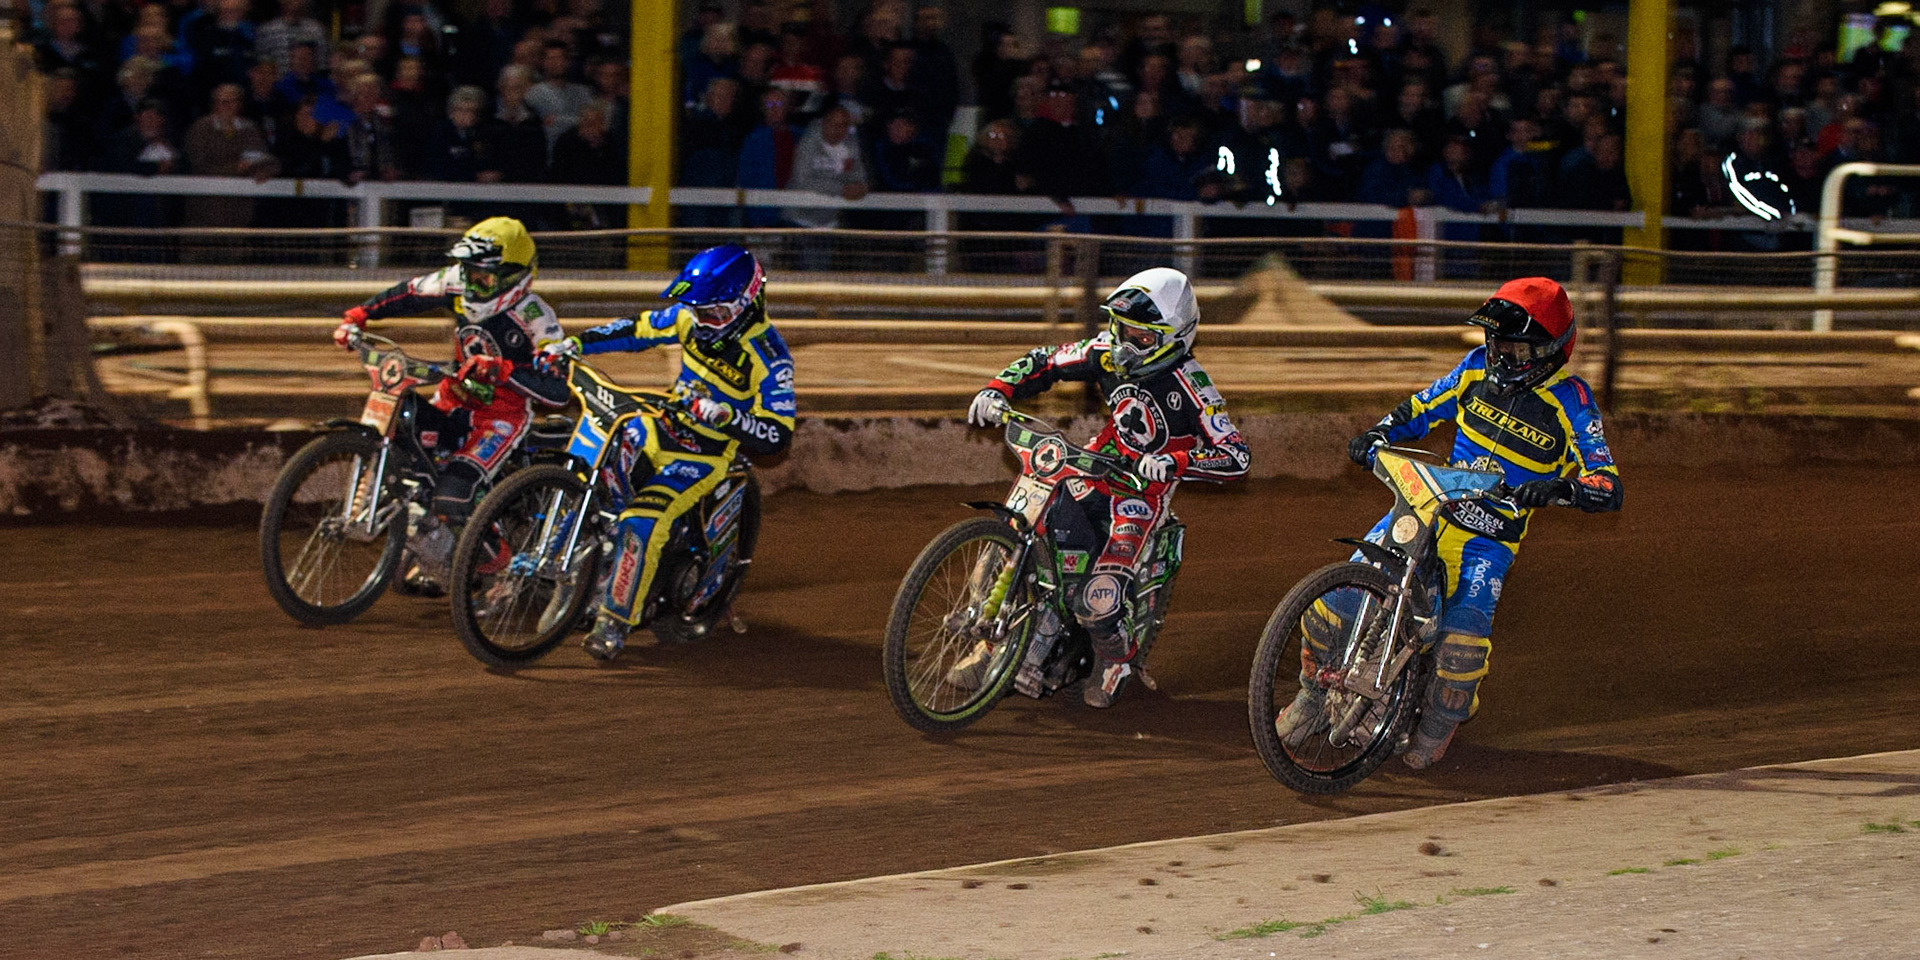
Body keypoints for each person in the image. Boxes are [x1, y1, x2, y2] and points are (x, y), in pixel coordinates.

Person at [1276, 278, 1622, 769]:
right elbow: (1423, 407)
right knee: (1330, 604)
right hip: (1426, 505)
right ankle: (1313, 697)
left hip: (1487, 539)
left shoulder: (1573, 401)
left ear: (1548, 351)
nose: (1500, 355)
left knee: (1460, 648)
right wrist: (1379, 432)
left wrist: (1562, 487)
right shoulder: (1475, 368)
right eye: (1496, 342)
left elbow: (1606, 481)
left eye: (1515, 347)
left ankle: (1436, 728)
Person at [963, 268, 1251, 708]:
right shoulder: (1107, 353)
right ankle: (996, 645)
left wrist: (1173, 462)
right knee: (1031, 530)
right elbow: (1046, 361)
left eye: (1142, 337)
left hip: (1140, 494)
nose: (1126, 344)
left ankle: (1116, 661)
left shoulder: (1194, 388)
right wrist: (998, 388)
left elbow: (1236, 455)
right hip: (1093, 466)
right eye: (1122, 330)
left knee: (1097, 601)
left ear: (1177, 338)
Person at [536, 245, 796, 662]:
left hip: (702, 457)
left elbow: (778, 435)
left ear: (746, 304)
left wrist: (728, 416)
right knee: (595, 460)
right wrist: (574, 344)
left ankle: (613, 622)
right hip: (660, 425)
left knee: (642, 522)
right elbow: (636, 329)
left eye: (713, 313)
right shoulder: (687, 319)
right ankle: (565, 562)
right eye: (696, 309)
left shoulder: (768, 357)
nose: (701, 320)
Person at [331, 218, 571, 584]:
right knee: (406, 425)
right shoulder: (457, 281)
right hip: (454, 399)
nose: (472, 284)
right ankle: (426, 537)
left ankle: (503, 572)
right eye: (468, 272)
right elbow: (409, 293)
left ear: (513, 275)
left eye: (483, 277)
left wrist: (504, 369)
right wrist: (359, 316)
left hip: (500, 417)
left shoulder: (535, 315)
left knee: (454, 497)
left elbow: (558, 390)